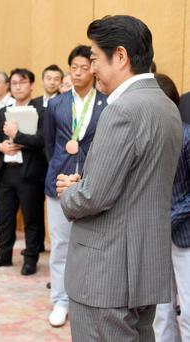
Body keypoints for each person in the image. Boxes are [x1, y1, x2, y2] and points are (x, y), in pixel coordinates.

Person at [57, 15, 182, 340]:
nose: (92, 68)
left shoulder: (122, 110)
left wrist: (70, 192)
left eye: (96, 58)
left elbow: (93, 196)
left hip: (105, 275)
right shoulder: (166, 106)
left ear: (121, 57)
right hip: (143, 269)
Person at [43, 45, 107, 328]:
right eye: (74, 68)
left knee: (89, 244)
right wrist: (59, 167)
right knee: (60, 243)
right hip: (59, 180)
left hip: (92, 183)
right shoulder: (56, 104)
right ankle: (60, 300)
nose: (79, 73)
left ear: (93, 69)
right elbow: (49, 144)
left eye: (84, 67)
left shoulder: (107, 102)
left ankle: (85, 296)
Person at [0, 68, 48, 275]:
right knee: (5, 217)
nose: (18, 86)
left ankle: (30, 258)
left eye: (22, 82)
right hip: (6, 172)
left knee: (32, 218)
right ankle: (4, 254)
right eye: (14, 83)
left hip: (30, 173)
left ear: (31, 85)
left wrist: (18, 136)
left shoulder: (41, 110)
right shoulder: (3, 111)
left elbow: (42, 140)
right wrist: (0, 147)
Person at [153, 73, 190, 342]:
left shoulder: (187, 137)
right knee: (160, 310)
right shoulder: (144, 138)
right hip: (155, 238)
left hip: (185, 237)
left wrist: (168, 219)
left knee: (188, 311)